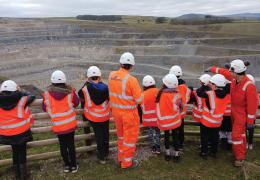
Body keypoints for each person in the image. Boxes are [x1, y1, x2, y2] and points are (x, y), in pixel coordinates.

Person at [206, 59, 258, 167]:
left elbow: (252, 106)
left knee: (236, 136)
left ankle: (239, 158)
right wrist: (212, 69)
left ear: (236, 72)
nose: (230, 73)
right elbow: (224, 72)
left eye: (231, 71)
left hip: (241, 115)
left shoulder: (249, 86)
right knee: (241, 135)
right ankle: (242, 150)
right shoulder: (234, 79)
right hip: (234, 113)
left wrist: (250, 121)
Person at [108, 52, 142, 169]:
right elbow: (139, 100)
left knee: (121, 137)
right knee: (129, 139)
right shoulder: (132, 80)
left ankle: (121, 157)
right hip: (129, 114)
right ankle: (127, 163)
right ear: (132, 66)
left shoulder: (111, 75)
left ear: (120, 63)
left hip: (116, 113)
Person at [42, 70, 80, 173]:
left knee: (62, 145)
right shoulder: (70, 92)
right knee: (71, 145)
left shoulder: (47, 94)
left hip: (58, 125)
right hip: (70, 124)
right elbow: (76, 103)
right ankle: (74, 166)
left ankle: (67, 165)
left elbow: (44, 108)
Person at [0, 80, 35, 180]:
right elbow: (31, 95)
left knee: (14, 152)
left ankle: (17, 174)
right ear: (15, 91)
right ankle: (24, 175)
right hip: (21, 133)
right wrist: (21, 91)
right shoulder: (22, 101)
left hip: (7, 134)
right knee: (22, 152)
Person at [78, 66, 110, 164]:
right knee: (105, 134)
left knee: (98, 136)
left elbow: (79, 94)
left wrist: (87, 83)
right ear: (99, 77)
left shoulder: (85, 89)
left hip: (93, 117)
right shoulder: (105, 87)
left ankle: (101, 157)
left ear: (88, 78)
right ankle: (106, 152)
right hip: (105, 115)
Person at [199, 74, 229, 159]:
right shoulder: (226, 95)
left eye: (212, 83)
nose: (211, 84)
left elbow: (199, 92)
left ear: (215, 85)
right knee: (215, 138)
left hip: (206, 121)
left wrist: (205, 84)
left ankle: (204, 152)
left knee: (204, 137)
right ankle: (214, 152)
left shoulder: (209, 94)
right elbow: (229, 85)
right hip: (217, 121)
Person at [156, 74, 183, 161]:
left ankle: (167, 153)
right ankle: (176, 154)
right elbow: (181, 107)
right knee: (175, 137)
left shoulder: (160, 94)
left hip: (165, 121)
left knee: (166, 136)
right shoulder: (178, 95)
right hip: (175, 121)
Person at [169, 65, 191, 150]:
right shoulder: (185, 87)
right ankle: (181, 143)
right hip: (182, 112)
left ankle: (175, 143)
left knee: (174, 129)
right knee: (181, 128)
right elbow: (188, 98)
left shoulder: (172, 87)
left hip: (174, 113)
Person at [190, 74, 211, 148]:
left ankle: (203, 145)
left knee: (203, 132)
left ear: (202, 82)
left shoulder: (197, 92)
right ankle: (209, 143)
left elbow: (191, 99)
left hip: (200, 116)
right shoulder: (212, 93)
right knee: (209, 131)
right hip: (209, 116)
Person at [141, 75, 160, 154]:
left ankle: (153, 147)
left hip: (148, 118)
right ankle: (158, 147)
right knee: (157, 132)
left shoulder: (142, 94)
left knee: (150, 132)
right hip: (157, 117)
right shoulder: (158, 92)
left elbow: (141, 106)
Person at [246, 74, 258, 150]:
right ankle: (246, 143)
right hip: (244, 115)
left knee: (250, 130)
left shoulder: (254, 93)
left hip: (251, 116)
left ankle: (250, 143)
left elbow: (254, 106)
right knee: (244, 130)